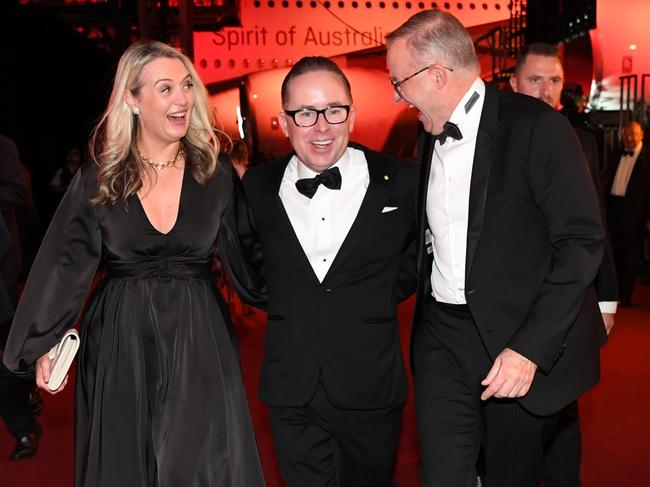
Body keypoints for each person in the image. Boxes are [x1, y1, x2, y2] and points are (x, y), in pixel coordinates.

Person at [3, 41, 265, 486]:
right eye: (165, 89)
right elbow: (66, 264)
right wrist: (42, 342)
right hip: (120, 339)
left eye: (186, 86)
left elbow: (253, 261)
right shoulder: (98, 177)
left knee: (203, 463)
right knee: (126, 465)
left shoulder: (215, 175)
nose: (182, 99)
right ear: (132, 98)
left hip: (199, 337)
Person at [386, 10, 606, 487]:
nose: (397, 96)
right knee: (443, 474)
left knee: (511, 475)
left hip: (515, 339)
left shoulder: (538, 128)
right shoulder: (427, 139)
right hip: (441, 339)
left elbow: (581, 243)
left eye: (399, 82)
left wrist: (528, 349)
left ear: (438, 75)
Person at [235, 56, 417, 487]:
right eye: (305, 113)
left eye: (334, 111)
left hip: (370, 384)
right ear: (283, 122)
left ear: (351, 115)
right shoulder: (257, 186)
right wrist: (289, 301)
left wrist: (372, 294)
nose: (321, 127)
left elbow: (421, 258)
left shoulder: (401, 180)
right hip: (290, 388)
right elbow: (246, 259)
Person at [510, 42, 619, 486]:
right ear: (514, 82)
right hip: (509, 302)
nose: (545, 89)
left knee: (562, 422)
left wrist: (607, 297)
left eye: (553, 80)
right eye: (535, 79)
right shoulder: (489, 142)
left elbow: (596, 226)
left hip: (569, 299)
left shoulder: (584, 142)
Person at [0, 133, 41, 461]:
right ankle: (23, 428)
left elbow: (18, 192)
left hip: (1, 271)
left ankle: (30, 383)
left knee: (15, 351)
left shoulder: (3, 146)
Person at [606, 121, 650, 306]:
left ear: (642, 135)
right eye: (626, 135)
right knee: (613, 252)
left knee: (630, 255)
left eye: (633, 134)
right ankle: (612, 291)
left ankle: (625, 293)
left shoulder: (648, 158)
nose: (629, 138)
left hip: (636, 211)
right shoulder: (616, 154)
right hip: (613, 207)